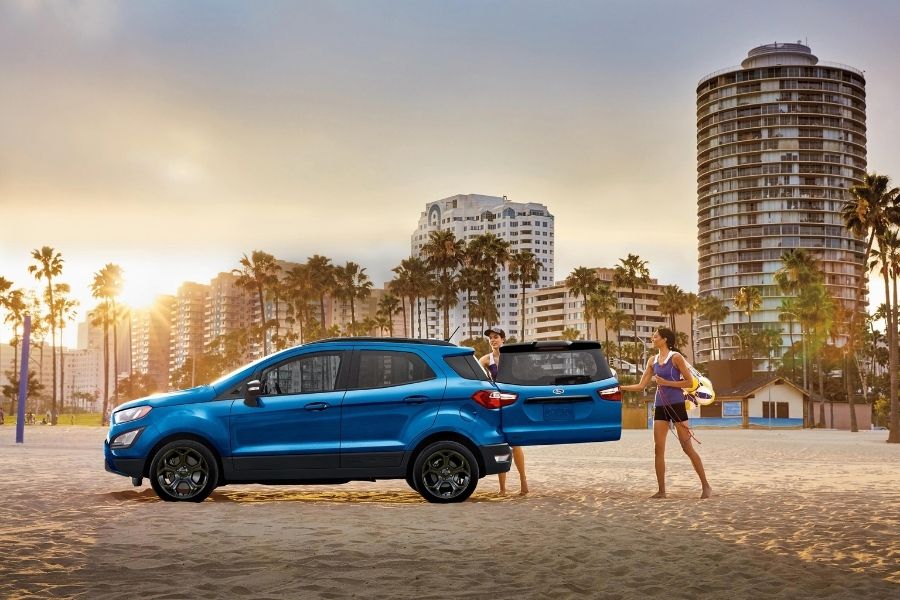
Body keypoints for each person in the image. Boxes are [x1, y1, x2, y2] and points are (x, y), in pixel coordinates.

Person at [620, 327, 712, 499]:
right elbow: (641, 386)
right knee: (658, 449)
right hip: (660, 405)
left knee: (687, 448)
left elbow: (689, 382)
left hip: (677, 404)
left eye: (655, 336)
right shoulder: (652, 361)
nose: (652, 338)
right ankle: (662, 490)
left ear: (665, 340)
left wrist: (667, 382)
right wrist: (621, 388)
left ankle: (706, 486)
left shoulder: (676, 358)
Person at [479, 327, 529, 496]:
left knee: (516, 445)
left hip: (512, 405)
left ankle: (523, 483)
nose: (493, 340)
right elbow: (480, 381)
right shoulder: (485, 360)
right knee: (501, 446)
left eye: (496, 337)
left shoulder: (513, 359)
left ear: (503, 340)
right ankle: (502, 489)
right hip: (496, 407)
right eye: (490, 338)